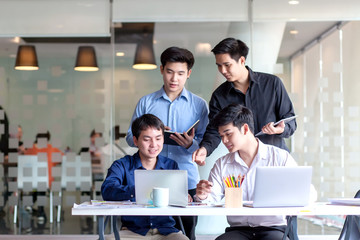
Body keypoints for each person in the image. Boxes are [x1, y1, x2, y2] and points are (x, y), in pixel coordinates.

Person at [195, 104, 316, 240]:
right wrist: (203, 195)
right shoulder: (222, 164)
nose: (224, 141)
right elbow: (210, 199)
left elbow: (309, 193)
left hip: (273, 229)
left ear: (245, 128)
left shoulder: (279, 157)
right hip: (238, 230)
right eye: (221, 136)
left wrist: (288, 199)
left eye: (228, 134)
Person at [126, 46, 209, 240]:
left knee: (186, 234)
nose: (174, 79)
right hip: (151, 179)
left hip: (186, 179)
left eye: (180, 73)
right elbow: (131, 138)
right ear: (162, 69)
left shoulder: (199, 105)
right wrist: (152, 137)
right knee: (149, 232)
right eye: (170, 72)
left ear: (188, 74)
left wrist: (191, 144)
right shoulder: (146, 102)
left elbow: (206, 144)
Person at [193, 38, 297, 166]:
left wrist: (280, 129)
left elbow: (290, 120)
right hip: (241, 165)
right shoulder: (219, 96)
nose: (223, 71)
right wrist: (205, 149)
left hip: (275, 161)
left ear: (242, 60)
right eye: (219, 66)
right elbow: (214, 130)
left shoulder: (272, 84)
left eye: (227, 65)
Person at [102, 114, 189, 240]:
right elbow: (107, 190)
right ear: (136, 141)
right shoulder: (122, 165)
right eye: (147, 139)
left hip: (166, 231)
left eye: (158, 138)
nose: (154, 145)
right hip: (132, 231)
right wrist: (138, 191)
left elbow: (178, 198)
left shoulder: (171, 165)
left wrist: (184, 196)